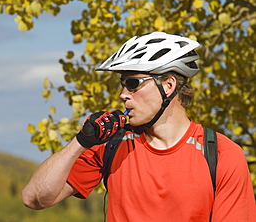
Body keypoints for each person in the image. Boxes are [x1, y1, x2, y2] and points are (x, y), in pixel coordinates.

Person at [22, 32, 256, 221]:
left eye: (133, 83)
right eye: (122, 84)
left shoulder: (221, 155)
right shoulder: (112, 143)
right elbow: (35, 199)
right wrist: (81, 141)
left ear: (168, 85)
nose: (123, 94)